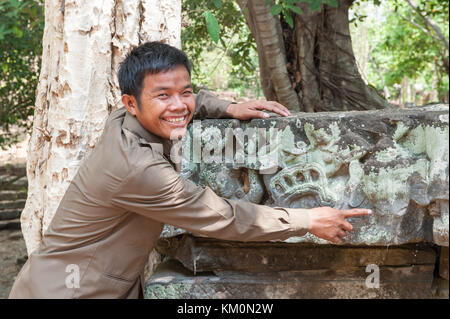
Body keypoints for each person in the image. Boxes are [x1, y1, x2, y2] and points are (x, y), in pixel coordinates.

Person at [9, 41, 371, 299]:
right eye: (163, 95)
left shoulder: (122, 120)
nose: (178, 105)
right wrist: (306, 221)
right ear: (131, 103)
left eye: (185, 91)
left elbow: (184, 103)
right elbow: (220, 215)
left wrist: (227, 107)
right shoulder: (136, 168)